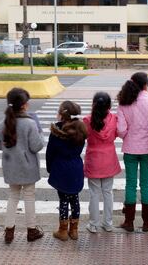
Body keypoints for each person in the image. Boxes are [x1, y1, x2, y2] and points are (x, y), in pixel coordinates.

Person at [0, 88, 45, 244]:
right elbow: (36, 146)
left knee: (13, 196)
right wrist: (41, 133)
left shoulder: (2, 123)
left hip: (11, 166)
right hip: (28, 167)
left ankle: (9, 232)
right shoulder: (30, 123)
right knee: (29, 197)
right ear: (24, 105)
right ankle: (32, 230)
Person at [117, 72, 148, 232]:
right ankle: (147, 222)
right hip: (147, 149)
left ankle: (129, 222)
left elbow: (121, 130)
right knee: (146, 183)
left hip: (130, 149)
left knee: (130, 183)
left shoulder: (124, 104)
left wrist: (129, 135)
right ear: (146, 85)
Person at [47, 101, 87, 241]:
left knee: (63, 200)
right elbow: (80, 149)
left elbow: (50, 152)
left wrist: (49, 168)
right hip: (75, 167)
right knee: (75, 199)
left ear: (62, 114)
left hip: (60, 168)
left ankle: (63, 231)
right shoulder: (80, 129)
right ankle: (74, 230)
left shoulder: (57, 131)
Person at [83, 92, 121, 233]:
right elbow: (117, 134)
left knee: (94, 193)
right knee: (108, 192)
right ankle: (108, 223)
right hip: (109, 158)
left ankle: (93, 224)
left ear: (93, 104)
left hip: (93, 158)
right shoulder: (114, 119)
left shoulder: (87, 120)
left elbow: (83, 136)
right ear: (109, 106)